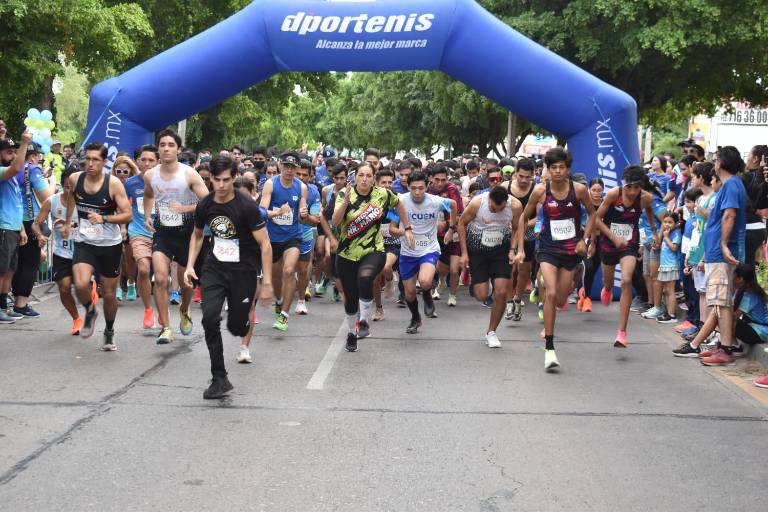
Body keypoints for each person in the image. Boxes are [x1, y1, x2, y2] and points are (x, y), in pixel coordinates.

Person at [184, 156, 273, 399]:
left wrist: (266, 283)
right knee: (210, 318)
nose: (221, 185)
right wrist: (190, 265)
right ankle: (219, 377)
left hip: (243, 270)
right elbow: (197, 235)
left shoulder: (246, 206)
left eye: (226, 180)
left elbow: (265, 244)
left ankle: (242, 322)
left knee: (236, 325)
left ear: (234, 178)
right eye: (216, 180)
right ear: (210, 178)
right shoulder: (206, 205)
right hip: (215, 268)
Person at [514, 147, 596, 370]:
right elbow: (523, 217)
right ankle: (549, 348)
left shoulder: (579, 190)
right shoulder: (541, 191)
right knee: (550, 293)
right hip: (548, 249)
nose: (558, 171)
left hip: (570, 251)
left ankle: (553, 282)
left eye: (562, 167)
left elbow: (593, 214)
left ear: (568, 169)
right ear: (547, 170)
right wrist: (521, 248)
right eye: (554, 168)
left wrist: (585, 240)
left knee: (560, 300)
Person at [332, 162, 413, 351]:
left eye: (368, 176)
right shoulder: (344, 194)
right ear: (355, 177)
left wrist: (407, 227)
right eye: (361, 175)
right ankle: (352, 332)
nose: (364, 179)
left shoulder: (382, 194)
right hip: (347, 253)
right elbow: (335, 222)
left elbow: (399, 204)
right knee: (351, 298)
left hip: (373, 249)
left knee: (366, 278)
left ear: (373, 178)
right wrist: (345, 203)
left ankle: (364, 321)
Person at [61, 142, 132, 350]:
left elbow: (128, 214)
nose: (90, 164)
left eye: (95, 160)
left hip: (110, 244)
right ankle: (90, 310)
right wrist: (67, 224)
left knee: (110, 295)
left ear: (104, 162)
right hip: (85, 241)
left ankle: (109, 330)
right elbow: (71, 202)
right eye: (88, 159)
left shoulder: (113, 184)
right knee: (81, 284)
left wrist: (104, 219)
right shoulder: (75, 179)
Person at [143, 130, 209, 344]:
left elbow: (208, 202)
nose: (166, 148)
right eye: (162, 144)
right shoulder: (150, 175)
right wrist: (147, 216)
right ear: (158, 148)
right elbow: (148, 194)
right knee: (161, 278)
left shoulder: (189, 174)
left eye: (171, 145)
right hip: (162, 232)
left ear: (178, 149)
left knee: (186, 283)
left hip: (186, 233)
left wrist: (185, 208)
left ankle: (184, 308)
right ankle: (165, 327)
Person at [593, 166, 658, 347]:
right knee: (608, 282)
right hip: (608, 242)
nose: (632, 191)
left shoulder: (645, 198)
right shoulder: (614, 194)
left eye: (636, 187)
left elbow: (650, 213)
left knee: (626, 280)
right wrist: (613, 237)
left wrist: (654, 232)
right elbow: (596, 219)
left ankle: (622, 332)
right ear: (624, 185)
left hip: (629, 243)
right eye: (629, 187)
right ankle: (606, 288)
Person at [697, 146, 748, 366]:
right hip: (717, 253)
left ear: (722, 163)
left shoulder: (732, 185)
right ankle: (724, 344)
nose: (714, 163)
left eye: (716, 159)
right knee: (720, 301)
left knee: (722, 302)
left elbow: (730, 214)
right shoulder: (730, 185)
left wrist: (724, 245)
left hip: (722, 254)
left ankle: (726, 347)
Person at [459, 185, 522, 347]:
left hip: (500, 250)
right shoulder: (477, 203)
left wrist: (513, 250)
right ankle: (481, 280)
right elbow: (461, 223)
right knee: (481, 295)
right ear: (489, 200)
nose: (494, 211)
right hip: (477, 250)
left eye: (499, 209)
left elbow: (516, 228)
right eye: (492, 208)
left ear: (506, 203)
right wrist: (464, 254)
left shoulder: (515, 206)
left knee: (501, 291)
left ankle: (491, 332)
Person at [398, 171, 457, 334]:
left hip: (429, 249)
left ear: (427, 187)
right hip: (408, 251)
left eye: (421, 188)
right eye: (413, 188)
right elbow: (391, 224)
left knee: (425, 281)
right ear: (408, 187)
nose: (417, 192)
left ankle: (427, 295)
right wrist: (401, 231)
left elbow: (453, 205)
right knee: (409, 293)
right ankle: (415, 317)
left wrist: (451, 229)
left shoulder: (435, 201)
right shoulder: (400, 201)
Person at [259, 151, 308, 331]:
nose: (289, 170)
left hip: (292, 236)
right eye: (286, 166)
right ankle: (279, 301)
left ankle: (285, 315)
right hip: (272, 238)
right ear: (280, 166)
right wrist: (278, 213)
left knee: (289, 270)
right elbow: (262, 212)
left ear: (297, 169)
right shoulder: (271, 185)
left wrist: (304, 213)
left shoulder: (301, 187)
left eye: (292, 167)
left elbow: (302, 213)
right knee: (277, 277)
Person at [32, 167, 82, 334]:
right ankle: (76, 319)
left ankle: (92, 287)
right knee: (64, 287)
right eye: (67, 187)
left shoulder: (84, 203)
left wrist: (72, 224)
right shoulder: (51, 201)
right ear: (62, 185)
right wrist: (39, 235)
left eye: (73, 187)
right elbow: (36, 223)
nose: (70, 191)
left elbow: (96, 224)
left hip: (83, 251)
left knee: (83, 288)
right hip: (62, 252)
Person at [10, 142, 55, 319]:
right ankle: (21, 304)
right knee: (30, 263)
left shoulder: (11, 168)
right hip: (31, 221)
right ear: (34, 156)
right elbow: (47, 198)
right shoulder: (32, 170)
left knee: (15, 263)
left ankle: (12, 302)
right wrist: (52, 182)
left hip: (13, 219)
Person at [124, 145, 159, 331]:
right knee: (144, 270)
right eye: (143, 159)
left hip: (163, 233)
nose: (146, 163)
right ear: (137, 161)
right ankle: (148, 310)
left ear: (158, 162)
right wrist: (122, 227)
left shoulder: (167, 181)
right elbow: (122, 207)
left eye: (151, 160)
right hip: (138, 231)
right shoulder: (129, 183)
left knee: (162, 277)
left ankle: (163, 310)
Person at [0, 133, 33, 324]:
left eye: (14, 151)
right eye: (8, 152)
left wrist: (21, 228)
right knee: (1, 270)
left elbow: (17, 203)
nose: (13, 155)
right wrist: (25, 144)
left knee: (10, 270)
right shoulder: (4, 172)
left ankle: (4, 306)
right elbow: (16, 168)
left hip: (13, 227)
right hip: (3, 227)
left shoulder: (10, 175)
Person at [505, 158, 536, 321]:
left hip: (528, 232)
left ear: (533, 175)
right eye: (521, 176)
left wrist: (523, 225)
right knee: (510, 268)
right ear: (515, 174)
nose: (523, 180)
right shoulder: (505, 187)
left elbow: (539, 217)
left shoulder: (537, 190)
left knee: (524, 269)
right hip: (508, 232)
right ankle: (509, 301)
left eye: (527, 177)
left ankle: (518, 299)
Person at [429, 164, 464, 306]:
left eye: (443, 179)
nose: (440, 183)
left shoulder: (452, 190)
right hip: (436, 235)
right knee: (440, 268)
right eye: (437, 179)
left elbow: (459, 214)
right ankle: (442, 280)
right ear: (431, 178)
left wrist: (449, 226)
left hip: (454, 234)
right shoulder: (426, 191)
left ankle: (453, 295)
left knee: (455, 269)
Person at [372, 168, 404, 321]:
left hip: (392, 241)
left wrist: (406, 232)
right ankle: (379, 308)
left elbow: (393, 225)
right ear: (376, 184)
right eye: (383, 182)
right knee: (374, 279)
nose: (387, 185)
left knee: (385, 267)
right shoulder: (370, 198)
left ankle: (390, 279)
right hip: (373, 241)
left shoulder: (396, 199)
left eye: (390, 182)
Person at [295, 160, 321, 315]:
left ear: (311, 177)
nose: (301, 177)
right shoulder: (279, 187)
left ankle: (301, 300)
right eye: (298, 173)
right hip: (283, 235)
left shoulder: (314, 192)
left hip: (306, 234)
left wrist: (303, 217)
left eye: (305, 175)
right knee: (287, 269)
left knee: (303, 269)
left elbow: (315, 220)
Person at [111, 155, 138, 303]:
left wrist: (124, 228)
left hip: (131, 223)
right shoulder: (110, 184)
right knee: (116, 257)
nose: (121, 174)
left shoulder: (134, 186)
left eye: (125, 172)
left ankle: (131, 283)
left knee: (129, 257)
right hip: (112, 222)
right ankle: (117, 288)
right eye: (118, 171)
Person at [578, 177, 604, 313]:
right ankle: (587, 298)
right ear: (589, 190)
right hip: (586, 239)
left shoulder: (606, 203)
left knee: (593, 270)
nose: (596, 193)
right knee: (588, 266)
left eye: (599, 190)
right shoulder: (584, 204)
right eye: (593, 190)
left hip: (602, 240)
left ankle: (583, 292)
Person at [655, 212, 682, 324]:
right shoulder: (667, 233)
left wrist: (666, 237)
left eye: (670, 222)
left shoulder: (676, 233)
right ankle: (668, 312)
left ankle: (671, 314)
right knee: (666, 290)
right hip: (665, 265)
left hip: (671, 265)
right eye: (665, 222)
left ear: (676, 224)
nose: (667, 224)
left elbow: (674, 248)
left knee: (670, 291)